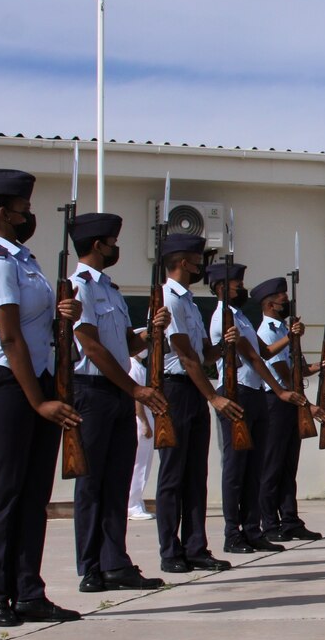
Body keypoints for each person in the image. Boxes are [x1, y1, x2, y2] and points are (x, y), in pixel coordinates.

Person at [0, 168, 84, 626]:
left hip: (38, 380)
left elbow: (36, 329)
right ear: (1, 212)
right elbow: (11, 338)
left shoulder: (25, 260)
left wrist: (61, 314)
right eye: (24, 209)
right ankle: (0, 596)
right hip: (8, 384)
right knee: (8, 491)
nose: (30, 215)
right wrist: (39, 401)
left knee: (35, 493)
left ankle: (29, 591)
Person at [67, 212, 170, 593]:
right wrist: (134, 389)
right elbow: (91, 346)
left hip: (114, 392)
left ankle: (115, 562)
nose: (116, 248)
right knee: (91, 483)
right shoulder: (81, 287)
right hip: (92, 391)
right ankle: (91, 566)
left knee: (115, 481)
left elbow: (126, 345)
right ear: (98, 245)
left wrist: (152, 332)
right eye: (112, 242)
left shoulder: (109, 288)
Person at [208, 262, 308, 555]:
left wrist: (290, 337)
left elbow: (262, 352)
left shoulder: (242, 317)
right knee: (236, 467)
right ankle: (232, 532)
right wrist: (279, 390)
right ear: (222, 287)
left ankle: (252, 530)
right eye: (238, 284)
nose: (243, 289)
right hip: (236, 392)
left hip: (252, 393)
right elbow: (252, 358)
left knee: (253, 467)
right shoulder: (223, 318)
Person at [156, 233, 236, 574]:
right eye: (196, 259)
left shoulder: (188, 301)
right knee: (173, 474)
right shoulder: (168, 299)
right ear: (181, 262)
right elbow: (186, 357)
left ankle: (195, 546)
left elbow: (203, 355)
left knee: (194, 474)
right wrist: (214, 396)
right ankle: (170, 549)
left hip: (193, 389)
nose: (201, 265)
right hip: (176, 389)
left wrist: (223, 348)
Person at [253, 276, 325, 541]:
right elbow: (281, 373)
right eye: (281, 299)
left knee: (288, 466)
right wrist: (308, 405)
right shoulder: (268, 332)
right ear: (269, 304)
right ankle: (269, 523)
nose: (285, 302)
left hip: (291, 402)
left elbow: (299, 369)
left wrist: (320, 366)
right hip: (277, 402)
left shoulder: (285, 331)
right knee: (272, 466)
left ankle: (289, 519)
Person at [126, 336, 155, 520]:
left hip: (145, 417)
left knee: (144, 463)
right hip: (140, 419)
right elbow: (136, 397)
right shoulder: (133, 367)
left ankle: (137, 502)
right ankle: (132, 505)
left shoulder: (140, 367)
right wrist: (143, 422)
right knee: (139, 464)